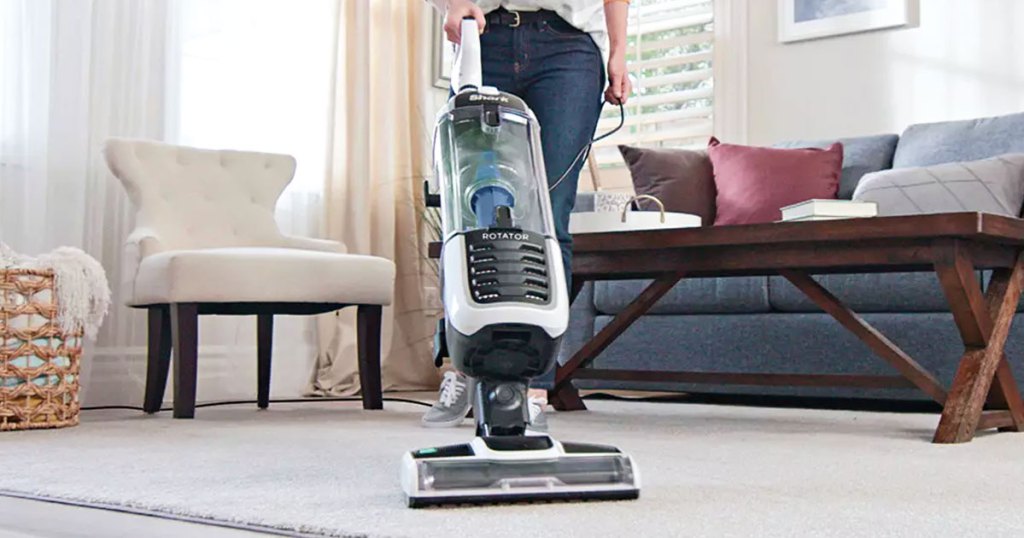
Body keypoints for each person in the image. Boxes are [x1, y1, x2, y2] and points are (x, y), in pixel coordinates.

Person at [422, 0, 632, 429]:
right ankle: (466, 366)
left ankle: (533, 383)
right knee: (472, 210)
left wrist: (619, 53)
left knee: (548, 215)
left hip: (569, 49)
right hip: (482, 36)